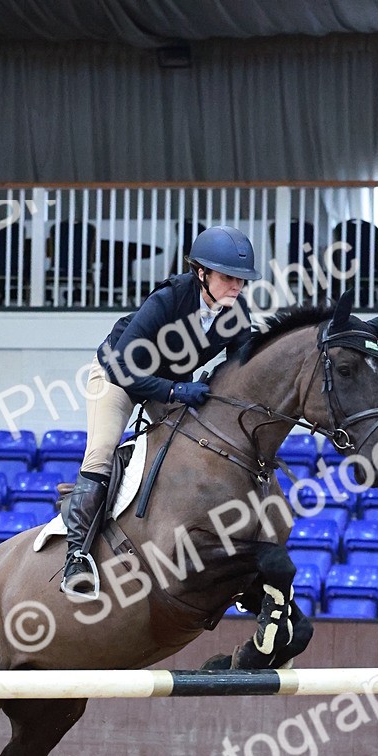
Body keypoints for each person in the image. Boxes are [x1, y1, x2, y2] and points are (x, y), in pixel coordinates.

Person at [61, 225, 261, 595]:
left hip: (168, 386)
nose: (237, 287)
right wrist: (174, 389)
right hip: (117, 376)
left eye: (242, 280)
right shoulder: (169, 299)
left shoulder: (235, 310)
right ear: (201, 273)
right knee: (102, 451)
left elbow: (241, 366)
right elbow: (124, 368)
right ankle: (77, 558)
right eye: (229, 278)